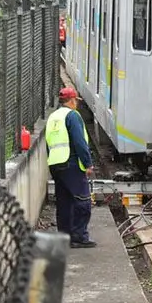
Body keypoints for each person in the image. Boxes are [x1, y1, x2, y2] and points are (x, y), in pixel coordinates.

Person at [46, 87, 97, 248]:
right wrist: (88, 163)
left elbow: (48, 143)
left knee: (64, 202)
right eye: (76, 101)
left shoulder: (53, 117)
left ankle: (65, 236)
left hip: (55, 164)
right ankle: (79, 237)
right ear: (72, 100)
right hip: (71, 162)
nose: (77, 104)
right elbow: (79, 142)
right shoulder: (72, 116)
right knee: (83, 200)